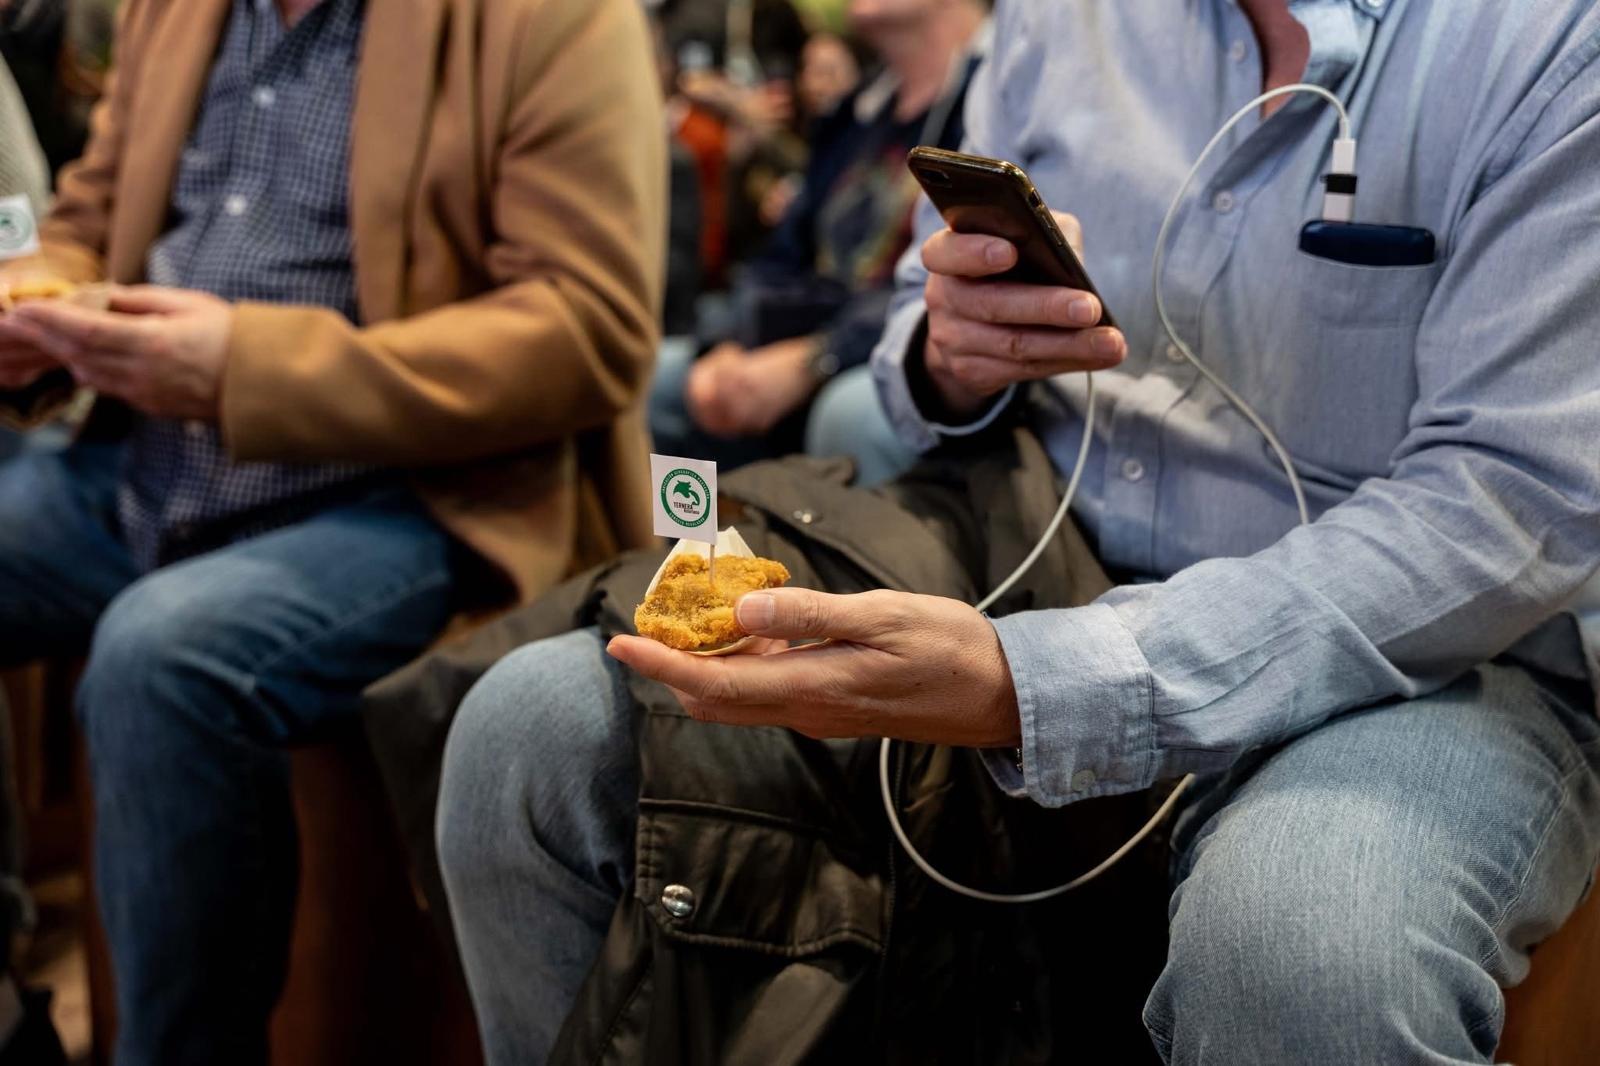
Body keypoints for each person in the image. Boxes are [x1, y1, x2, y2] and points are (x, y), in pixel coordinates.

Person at [435, 0, 1600, 1062]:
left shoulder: (1550, 40)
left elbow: (1510, 503)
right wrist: (950, 350)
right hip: (1031, 540)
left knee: (1306, 951)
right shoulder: (1059, 18)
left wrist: (1030, 680)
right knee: (532, 730)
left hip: (1428, 652)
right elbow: (915, 328)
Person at [0, 0, 663, 1061]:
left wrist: (246, 367)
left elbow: (591, 327)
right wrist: (42, 296)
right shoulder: (172, 11)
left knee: (159, 657)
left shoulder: (552, 18)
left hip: (412, 499)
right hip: (145, 465)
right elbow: (88, 216)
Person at [650, 0, 988, 475]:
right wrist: (732, 344)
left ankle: (813, 528)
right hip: (811, 333)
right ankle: (696, 528)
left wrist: (820, 357)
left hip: (903, 348)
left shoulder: (996, 104)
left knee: (850, 416)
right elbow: (784, 253)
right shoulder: (859, 113)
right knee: (659, 379)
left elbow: (951, 290)